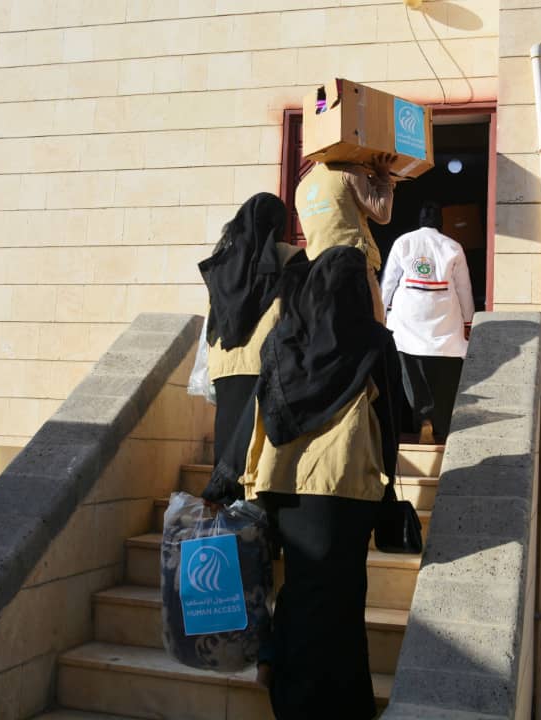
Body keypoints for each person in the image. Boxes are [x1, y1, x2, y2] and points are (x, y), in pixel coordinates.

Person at [203, 246, 401, 720]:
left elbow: (256, 406)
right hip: (345, 485)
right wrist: (387, 488)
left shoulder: (283, 339)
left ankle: (289, 692)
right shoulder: (373, 342)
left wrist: (224, 479)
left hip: (282, 482)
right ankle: (342, 704)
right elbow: (393, 420)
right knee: (342, 596)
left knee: (298, 588)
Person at [199, 193, 305, 466]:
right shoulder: (291, 256)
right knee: (258, 447)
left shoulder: (223, 263)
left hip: (224, 362)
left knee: (227, 442)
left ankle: (223, 492)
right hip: (266, 360)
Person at [380, 201, 474, 444]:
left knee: (410, 375)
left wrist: (380, 313)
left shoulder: (403, 242)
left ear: (420, 221)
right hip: (444, 323)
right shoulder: (453, 246)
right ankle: (439, 425)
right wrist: (468, 321)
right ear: (441, 223)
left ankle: (420, 419)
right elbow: (464, 288)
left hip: (408, 321)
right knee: (443, 378)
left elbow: (389, 282)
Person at [294, 153, 397, 321]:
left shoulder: (302, 186)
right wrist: (384, 176)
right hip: (354, 267)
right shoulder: (350, 172)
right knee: (371, 329)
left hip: (317, 271)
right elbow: (382, 213)